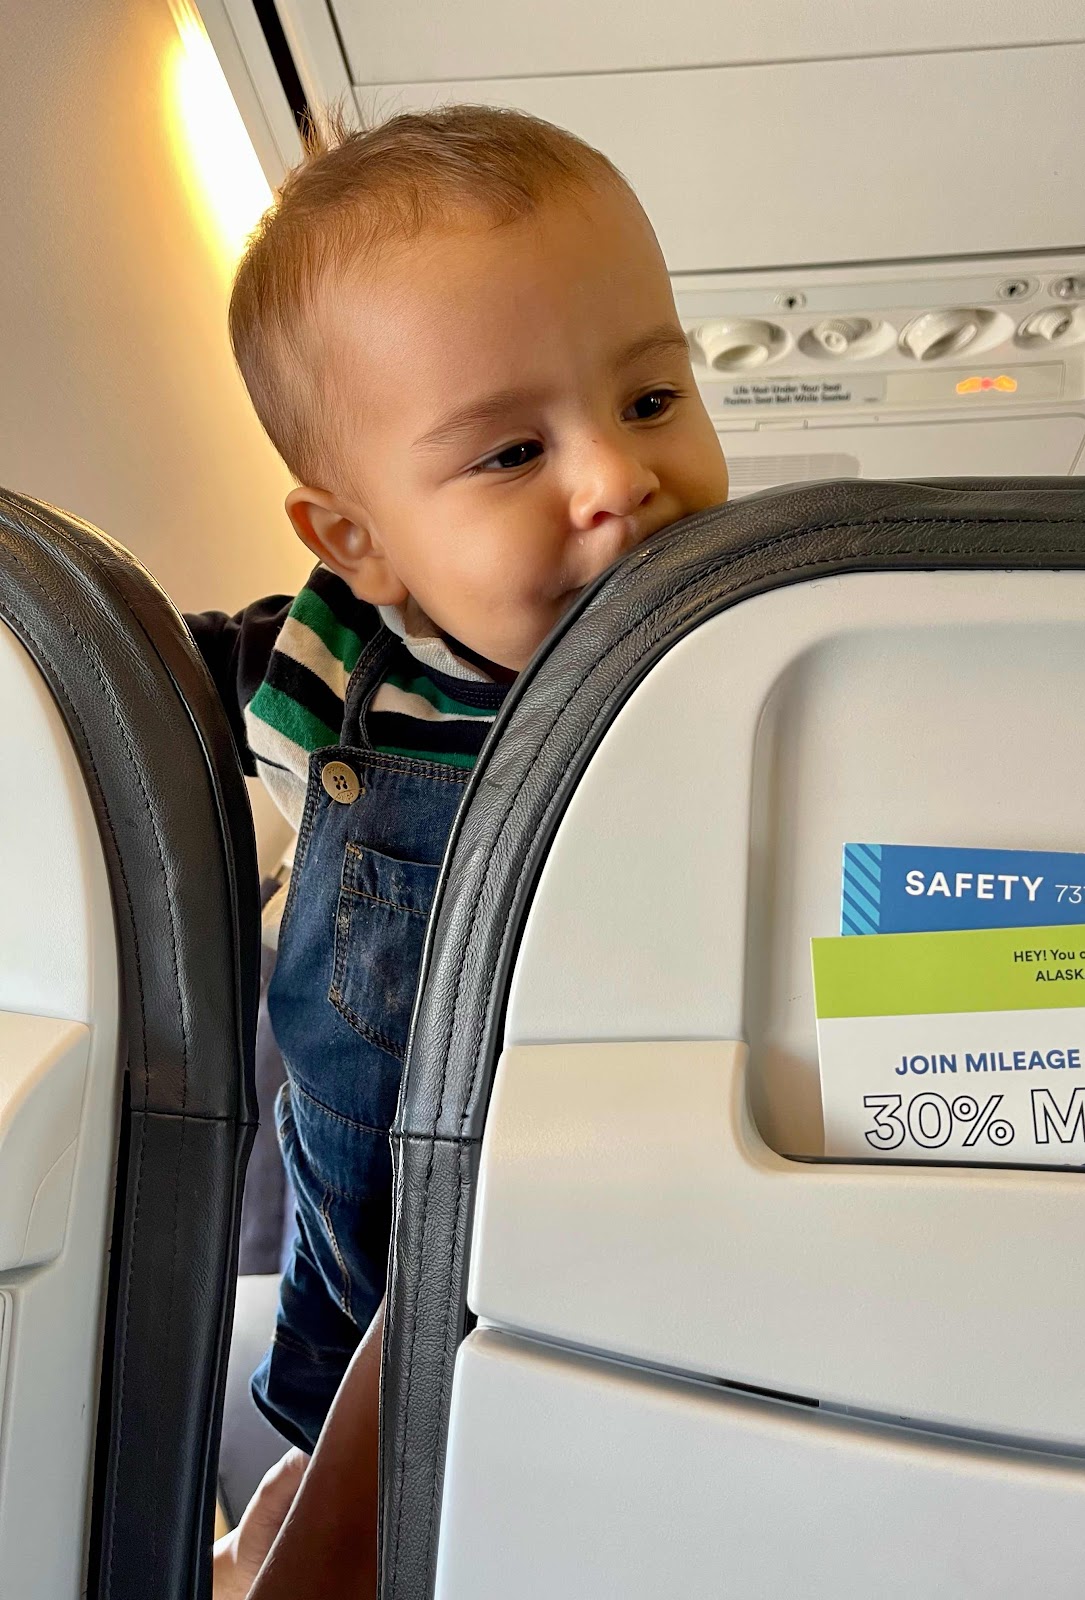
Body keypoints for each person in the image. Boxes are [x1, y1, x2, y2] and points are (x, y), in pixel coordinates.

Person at [189, 99, 729, 1578]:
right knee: (341, 1480)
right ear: (357, 541)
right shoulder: (318, 671)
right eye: (510, 453)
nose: (616, 480)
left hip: (626, 1186)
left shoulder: (748, 641)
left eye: (651, 398)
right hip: (369, 1220)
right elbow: (120, 733)